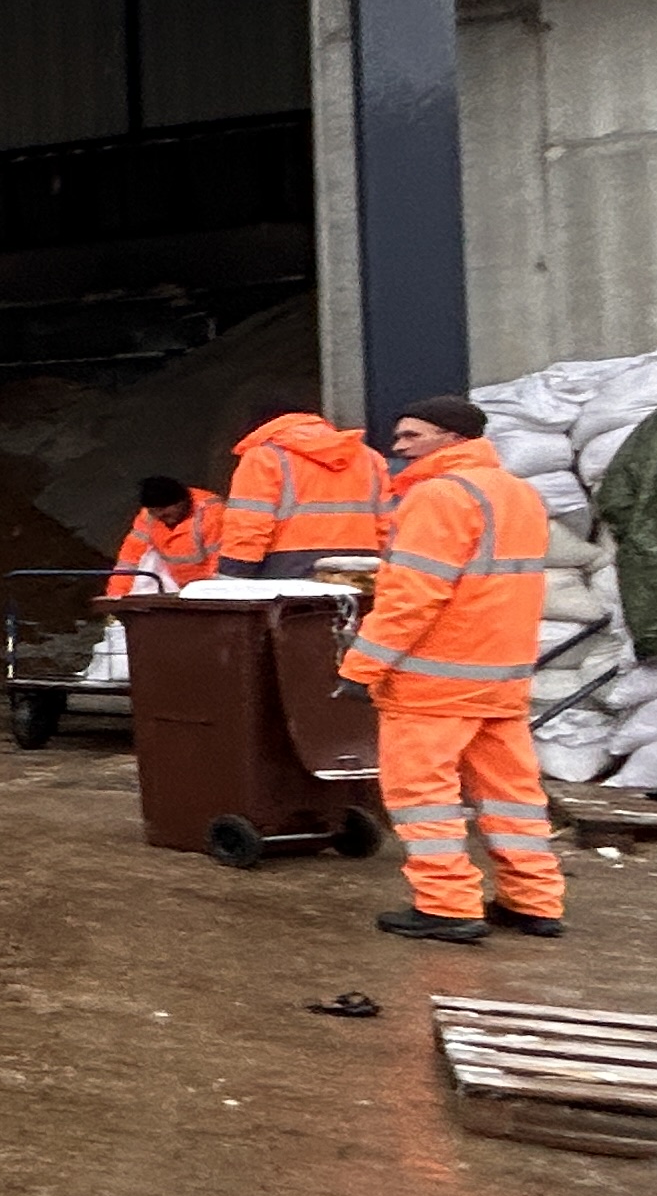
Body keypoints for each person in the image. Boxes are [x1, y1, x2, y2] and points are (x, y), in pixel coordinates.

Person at [342, 394, 568, 944]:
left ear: (452, 437)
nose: (398, 446)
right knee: (511, 795)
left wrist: (363, 666)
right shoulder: (519, 495)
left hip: (434, 682)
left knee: (424, 796)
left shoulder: (438, 496)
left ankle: (447, 906)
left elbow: (412, 595)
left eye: (413, 435)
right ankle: (533, 901)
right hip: (500, 677)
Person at [214, 408, 390, 575]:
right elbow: (388, 525)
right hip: (361, 568)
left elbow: (248, 523)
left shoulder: (264, 457)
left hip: (286, 570)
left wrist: (234, 574)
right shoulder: (370, 458)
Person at [105, 474, 223, 597]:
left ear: (183, 501)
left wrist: (210, 597)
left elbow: (218, 563)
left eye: (164, 511)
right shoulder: (149, 516)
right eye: (154, 511)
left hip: (208, 591)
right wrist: (116, 597)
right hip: (178, 590)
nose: (159, 516)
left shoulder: (212, 515)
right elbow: (130, 560)